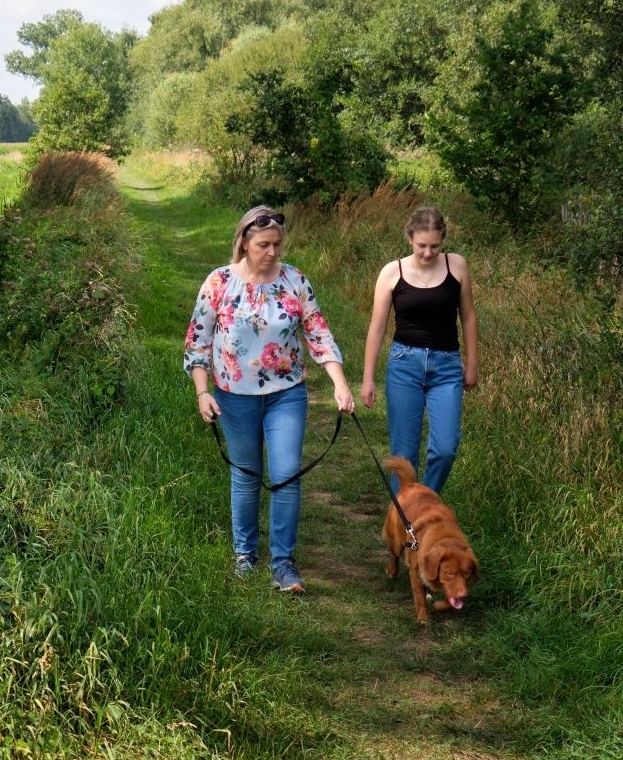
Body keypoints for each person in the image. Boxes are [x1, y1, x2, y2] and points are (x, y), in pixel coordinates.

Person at [185, 205, 356, 594]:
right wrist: (202, 391)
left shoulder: (295, 280)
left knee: (286, 475)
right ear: (244, 242)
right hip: (234, 396)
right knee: (246, 476)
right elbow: (198, 343)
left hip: (287, 393)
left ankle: (284, 563)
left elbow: (318, 334)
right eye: (264, 244)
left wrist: (340, 383)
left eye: (278, 244)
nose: (273, 252)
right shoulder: (219, 282)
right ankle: (245, 555)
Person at [360, 206, 478, 494]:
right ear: (409, 238)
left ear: (443, 241)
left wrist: (472, 363)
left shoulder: (457, 266)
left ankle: (424, 501)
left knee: (445, 448)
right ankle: (403, 525)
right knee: (404, 455)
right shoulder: (392, 272)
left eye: (435, 246)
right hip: (404, 365)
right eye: (422, 245)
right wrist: (368, 377)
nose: (428, 252)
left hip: (447, 367)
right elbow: (376, 327)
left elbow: (469, 317)